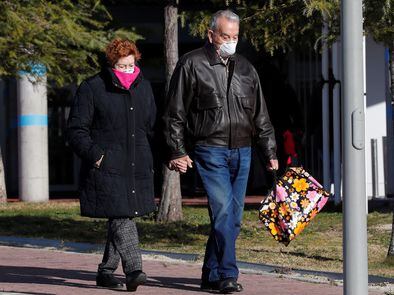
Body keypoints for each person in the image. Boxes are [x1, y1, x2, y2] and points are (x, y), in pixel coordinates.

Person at [163, 9, 278, 294]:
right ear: (211, 34)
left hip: (243, 150)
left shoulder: (246, 68)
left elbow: (260, 115)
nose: (231, 41)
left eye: (235, 37)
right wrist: (177, 151)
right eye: (225, 36)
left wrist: (270, 153)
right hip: (209, 150)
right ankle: (228, 274)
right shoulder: (191, 64)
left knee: (233, 217)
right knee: (224, 212)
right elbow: (174, 113)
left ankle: (210, 273)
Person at [67, 38, 156, 292]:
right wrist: (97, 156)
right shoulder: (92, 88)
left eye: (131, 65)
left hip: (136, 165)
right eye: (121, 66)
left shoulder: (144, 88)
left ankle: (106, 271)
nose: (127, 71)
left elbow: (149, 127)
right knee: (121, 215)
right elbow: (76, 130)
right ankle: (135, 269)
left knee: (123, 214)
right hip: (106, 166)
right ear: (111, 64)